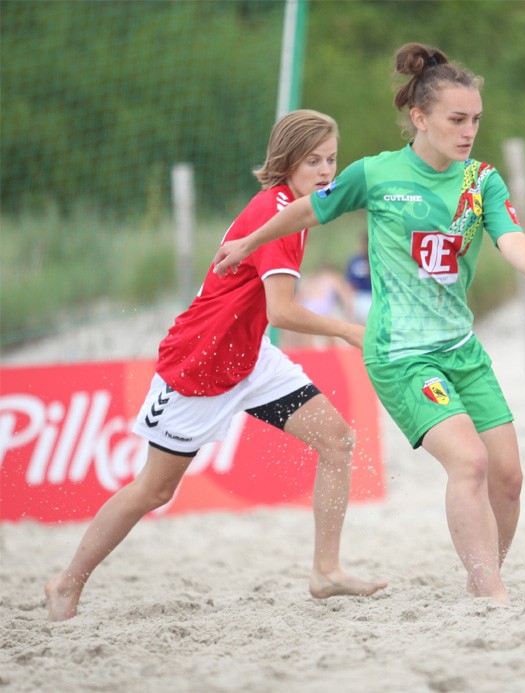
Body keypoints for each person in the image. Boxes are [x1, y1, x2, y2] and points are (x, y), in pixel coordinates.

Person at [212, 43, 525, 604]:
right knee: (470, 461)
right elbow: (308, 208)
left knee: (508, 477)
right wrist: (250, 241)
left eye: (476, 119)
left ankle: (485, 573)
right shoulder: (376, 174)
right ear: (420, 118)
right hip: (400, 354)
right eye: (457, 119)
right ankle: (490, 591)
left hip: (461, 348)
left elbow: (510, 236)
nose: (469, 130)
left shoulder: (481, 180)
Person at [45, 110, 387, 622]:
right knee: (154, 489)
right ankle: (65, 583)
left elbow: (265, 318)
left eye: (331, 159)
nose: (325, 170)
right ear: (286, 161)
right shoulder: (277, 215)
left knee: (337, 441)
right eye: (313, 160)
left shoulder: (294, 209)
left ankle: (326, 571)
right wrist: (346, 330)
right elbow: (282, 312)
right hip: (199, 366)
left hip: (249, 357)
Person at [283, 263, 355, 348]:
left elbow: (299, 298)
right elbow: (344, 294)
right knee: (326, 330)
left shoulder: (313, 281)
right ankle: (324, 352)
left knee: (310, 331)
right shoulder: (327, 279)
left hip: (312, 310)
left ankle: (312, 352)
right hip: (317, 311)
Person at [345, 232, 373, 323]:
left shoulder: (355, 260)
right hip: (371, 298)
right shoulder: (378, 260)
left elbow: (350, 286)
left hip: (360, 299)